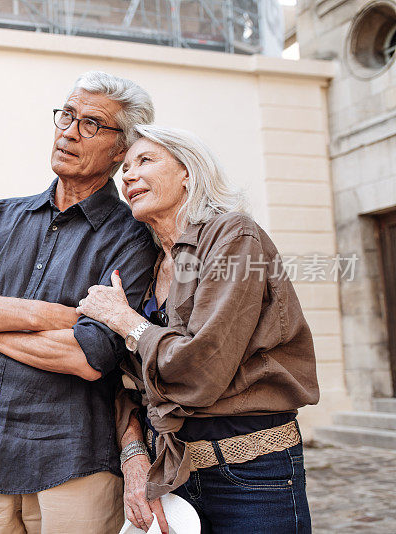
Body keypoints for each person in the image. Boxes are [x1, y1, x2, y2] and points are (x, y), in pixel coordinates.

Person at [0, 71, 158, 533]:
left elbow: (89, 355)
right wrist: (48, 315)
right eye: (66, 115)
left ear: (120, 149)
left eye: (91, 124)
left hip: (73, 469)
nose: (69, 131)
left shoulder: (131, 238)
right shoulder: (3, 217)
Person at [76, 124, 320, 533]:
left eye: (145, 161)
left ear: (188, 171)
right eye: (126, 169)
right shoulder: (149, 265)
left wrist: (124, 320)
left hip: (251, 476)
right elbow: (124, 380)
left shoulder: (233, 236)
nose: (128, 175)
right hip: (171, 473)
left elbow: (200, 370)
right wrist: (134, 454)